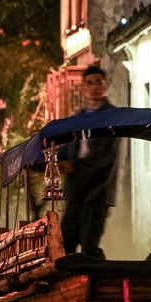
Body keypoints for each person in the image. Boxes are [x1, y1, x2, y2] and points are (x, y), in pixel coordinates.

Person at [57, 65, 119, 259]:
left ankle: (101, 284)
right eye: (89, 83)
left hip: (97, 189)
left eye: (98, 82)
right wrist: (45, 162)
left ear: (105, 86)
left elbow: (105, 154)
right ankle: (69, 286)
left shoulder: (113, 116)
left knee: (89, 246)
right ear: (83, 87)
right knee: (64, 243)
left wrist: (74, 166)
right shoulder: (78, 118)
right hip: (76, 189)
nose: (94, 87)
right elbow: (65, 149)